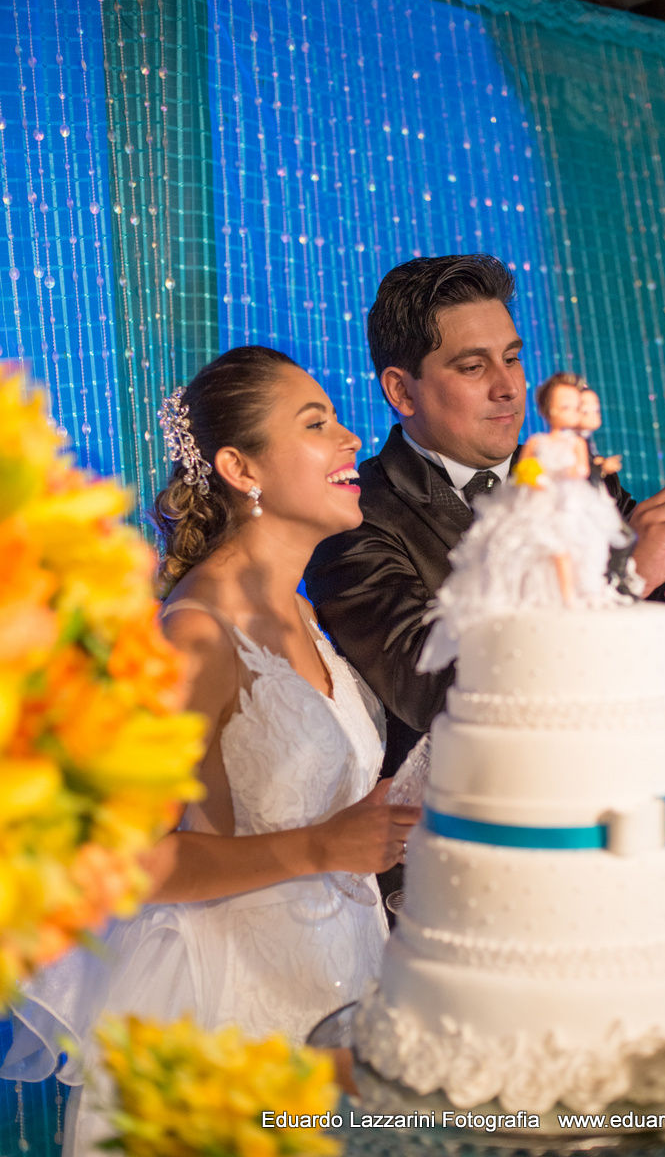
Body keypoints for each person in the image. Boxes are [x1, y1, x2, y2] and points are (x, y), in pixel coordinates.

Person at [2, 346, 419, 1154]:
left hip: (340, 980)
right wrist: (323, 847)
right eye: (316, 424)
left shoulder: (303, 614)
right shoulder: (194, 633)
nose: (349, 439)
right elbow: (137, 861)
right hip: (230, 1010)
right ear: (239, 467)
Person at [305, 254, 665, 784]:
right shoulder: (352, 518)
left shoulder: (579, 479)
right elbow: (434, 689)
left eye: (512, 358)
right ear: (401, 390)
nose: (508, 386)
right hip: (471, 821)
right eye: (473, 367)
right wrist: (620, 578)